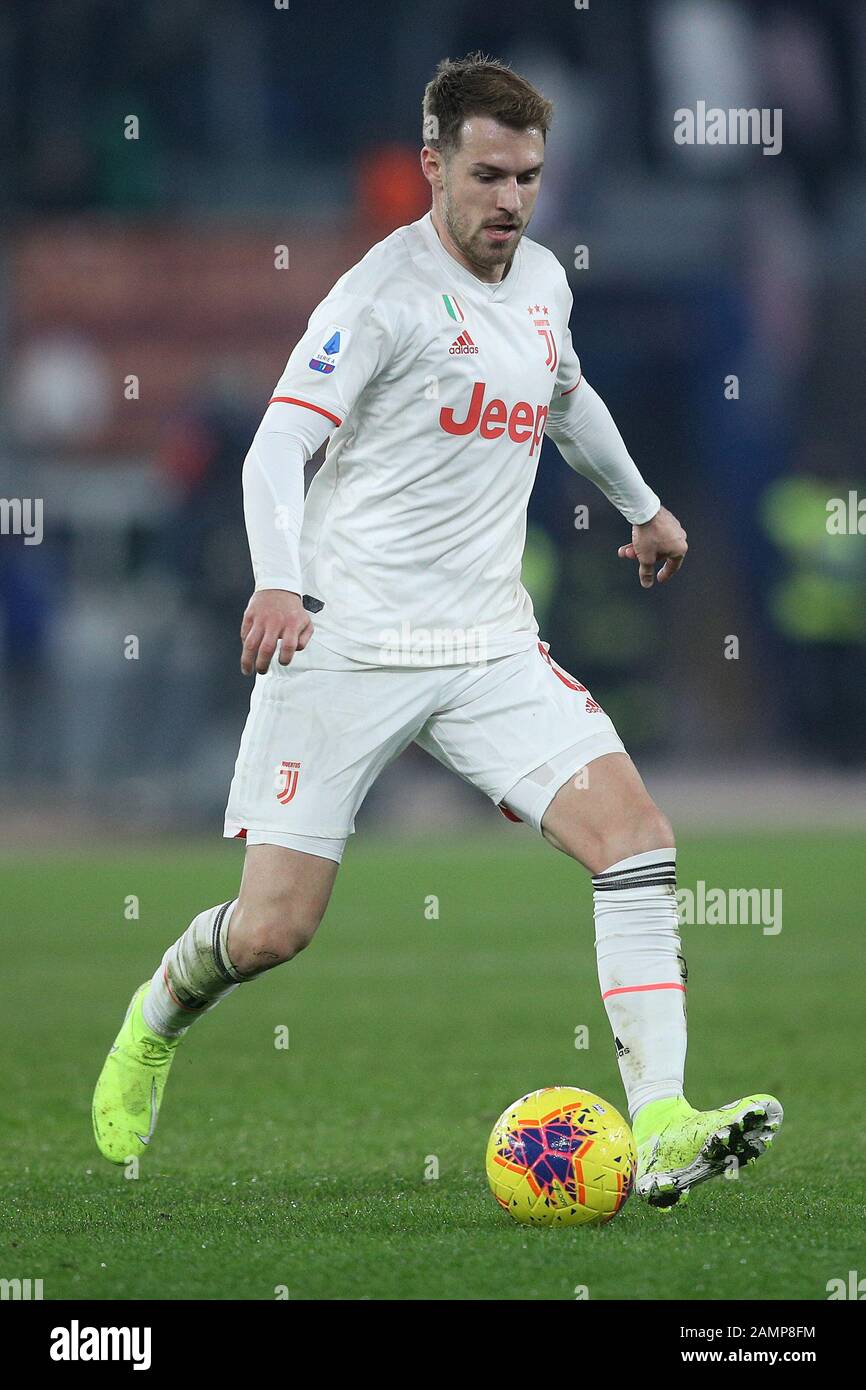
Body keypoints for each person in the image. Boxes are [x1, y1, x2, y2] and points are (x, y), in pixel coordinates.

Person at [92, 53, 781, 1208]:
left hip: (486, 646)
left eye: (528, 178)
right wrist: (276, 583)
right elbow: (273, 447)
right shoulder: (377, 299)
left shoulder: (544, 282)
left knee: (638, 841)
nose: (510, 201)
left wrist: (643, 508)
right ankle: (156, 1013)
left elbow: (566, 399)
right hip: (345, 644)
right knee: (270, 932)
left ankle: (659, 1121)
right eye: (488, 176)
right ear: (431, 167)